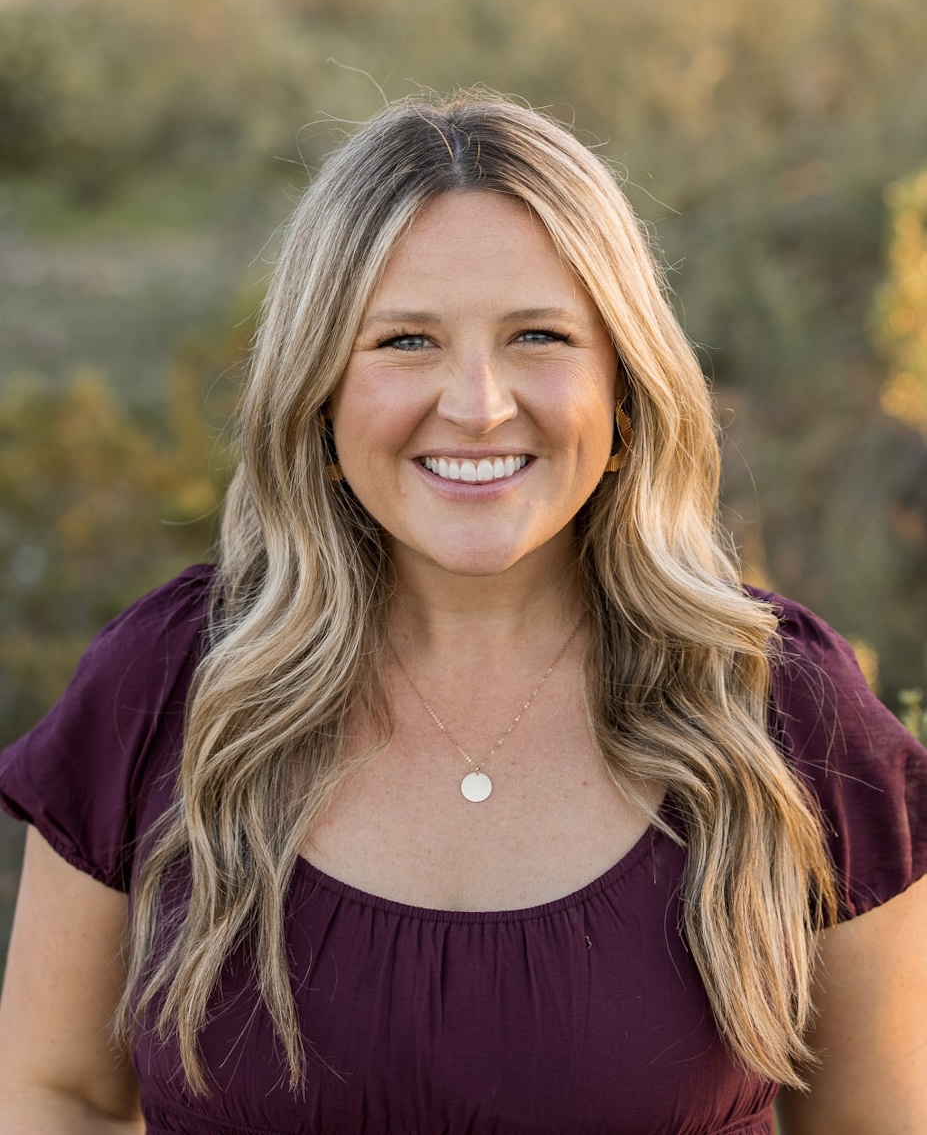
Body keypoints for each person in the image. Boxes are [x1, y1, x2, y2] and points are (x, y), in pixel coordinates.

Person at [0, 91, 925, 1135]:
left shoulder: (780, 707)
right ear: (319, 390)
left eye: (538, 334)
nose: (479, 402)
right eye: (406, 341)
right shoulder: (166, 686)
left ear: (623, 386)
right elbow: (56, 1091)